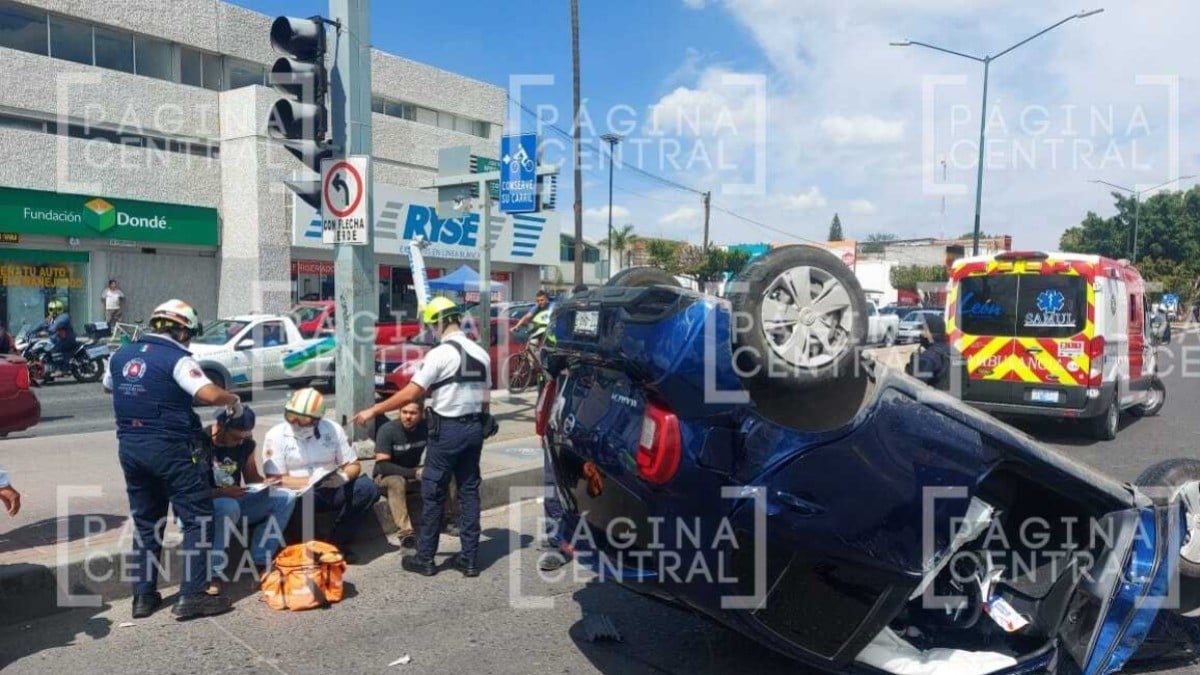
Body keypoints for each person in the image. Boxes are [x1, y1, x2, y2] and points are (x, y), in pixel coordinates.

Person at [105, 298, 242, 620]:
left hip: (131, 447)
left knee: (147, 521)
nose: (190, 340)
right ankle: (193, 596)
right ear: (181, 331)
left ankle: (143, 596)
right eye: (190, 334)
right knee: (197, 519)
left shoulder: (120, 354)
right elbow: (207, 394)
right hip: (172, 448)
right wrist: (232, 400)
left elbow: (111, 388)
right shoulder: (178, 359)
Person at [353, 296, 490, 578]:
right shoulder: (481, 353)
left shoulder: (439, 354)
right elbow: (485, 401)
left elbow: (412, 393)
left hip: (448, 430)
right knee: (468, 491)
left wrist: (374, 409)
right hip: (475, 429)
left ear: (437, 324)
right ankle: (470, 559)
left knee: (433, 489)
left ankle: (426, 558)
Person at [262, 388, 378, 564]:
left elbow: (353, 465)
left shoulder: (332, 430)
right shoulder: (275, 435)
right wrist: (311, 481)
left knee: (367, 489)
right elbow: (274, 479)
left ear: (316, 420)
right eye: (291, 417)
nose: (296, 423)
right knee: (295, 500)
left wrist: (343, 477)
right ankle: (312, 549)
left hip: (332, 486)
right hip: (301, 491)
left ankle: (336, 544)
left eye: (303, 420)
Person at [201, 406, 295, 595]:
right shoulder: (199, 442)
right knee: (228, 506)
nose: (240, 442)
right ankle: (212, 573)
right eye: (236, 437)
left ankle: (261, 560)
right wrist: (221, 493)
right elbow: (188, 490)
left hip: (235, 500)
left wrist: (267, 483)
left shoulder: (245, 443)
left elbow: (251, 476)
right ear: (220, 426)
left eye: (245, 437)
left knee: (285, 497)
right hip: (205, 505)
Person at [373, 402, 460, 549]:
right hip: (386, 476)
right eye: (404, 412)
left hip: (413, 472)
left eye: (413, 413)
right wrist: (415, 472)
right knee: (397, 481)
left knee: (448, 473)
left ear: (421, 415)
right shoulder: (387, 430)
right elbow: (382, 465)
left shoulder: (425, 428)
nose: (408, 417)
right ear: (399, 412)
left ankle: (448, 520)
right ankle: (406, 533)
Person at [905, 314, 951, 390]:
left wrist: (915, 361)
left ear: (929, 334)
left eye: (923, 330)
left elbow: (914, 385)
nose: (921, 334)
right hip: (956, 400)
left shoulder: (929, 357)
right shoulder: (955, 352)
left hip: (934, 400)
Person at [44, 299, 78, 377]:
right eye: (52, 310)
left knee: (54, 351)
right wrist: (32, 331)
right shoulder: (52, 318)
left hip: (68, 340)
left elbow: (55, 327)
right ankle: (49, 374)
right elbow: (42, 324)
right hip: (60, 339)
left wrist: (48, 330)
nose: (54, 312)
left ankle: (64, 369)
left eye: (56, 309)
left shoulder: (64, 317)